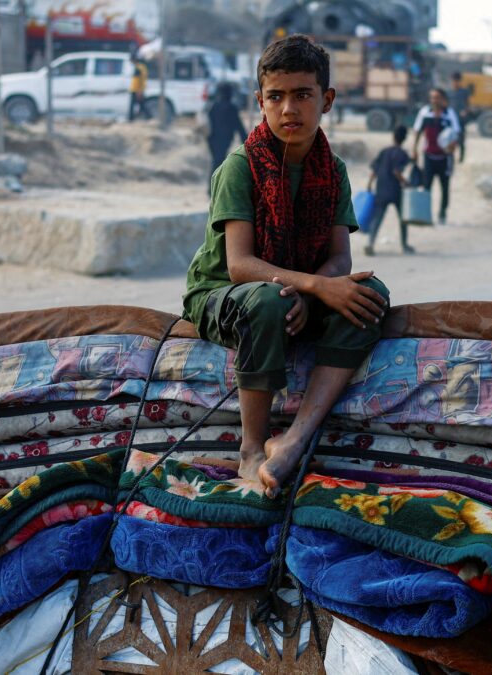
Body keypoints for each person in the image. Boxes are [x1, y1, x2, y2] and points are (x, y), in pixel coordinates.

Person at [182, 34, 390, 499]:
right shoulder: (240, 166)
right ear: (260, 102)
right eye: (275, 97)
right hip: (225, 293)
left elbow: (340, 257)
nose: (288, 109)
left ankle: (294, 438)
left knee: (371, 294)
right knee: (268, 298)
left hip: (295, 288)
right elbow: (238, 265)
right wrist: (309, 286)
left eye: (302, 95)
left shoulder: (332, 170)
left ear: (327, 100)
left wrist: (316, 288)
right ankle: (252, 448)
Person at [412, 88, 460, 224]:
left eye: (437, 97)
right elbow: (417, 131)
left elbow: (456, 133)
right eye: (432, 97)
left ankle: (442, 214)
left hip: (445, 158)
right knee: (427, 187)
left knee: (445, 188)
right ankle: (425, 215)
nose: (434, 100)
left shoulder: (449, 114)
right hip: (429, 156)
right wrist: (414, 150)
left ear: (442, 99)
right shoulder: (425, 113)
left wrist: (453, 146)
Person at [364, 125, 412, 256]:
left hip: (382, 188)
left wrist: (369, 184)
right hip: (396, 191)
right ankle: (404, 245)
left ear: (393, 136)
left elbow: (374, 169)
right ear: (405, 138)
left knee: (377, 218)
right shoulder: (403, 154)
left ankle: (370, 243)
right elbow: (397, 171)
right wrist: (406, 183)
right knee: (403, 218)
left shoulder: (384, 151)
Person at [206, 82, 248, 181]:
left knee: (216, 161)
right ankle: (213, 187)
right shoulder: (231, 108)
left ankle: (212, 187)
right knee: (218, 162)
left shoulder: (213, 106)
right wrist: (246, 140)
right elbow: (239, 125)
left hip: (212, 139)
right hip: (225, 140)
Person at [449, 72, 474, 162]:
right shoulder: (449, 92)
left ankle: (461, 157)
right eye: (453, 81)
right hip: (451, 120)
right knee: (450, 139)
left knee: (461, 139)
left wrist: (465, 111)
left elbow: (468, 105)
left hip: (460, 120)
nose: (454, 83)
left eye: (456, 81)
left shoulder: (464, 92)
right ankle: (450, 156)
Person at [128, 55, 149, 121]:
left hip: (136, 90)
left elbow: (140, 80)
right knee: (141, 105)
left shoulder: (139, 68)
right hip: (137, 89)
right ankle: (147, 117)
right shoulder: (141, 67)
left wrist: (139, 91)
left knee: (136, 105)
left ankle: (131, 119)